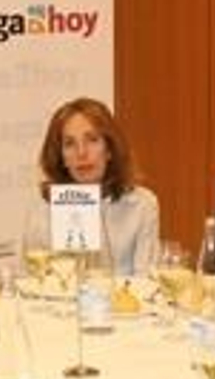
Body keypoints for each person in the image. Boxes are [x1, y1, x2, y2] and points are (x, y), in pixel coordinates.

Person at [19, 97, 159, 276]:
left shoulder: (142, 204)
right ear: (61, 158)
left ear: (109, 150)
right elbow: (28, 279)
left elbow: (146, 281)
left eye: (92, 140)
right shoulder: (42, 207)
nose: (81, 153)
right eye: (69, 143)